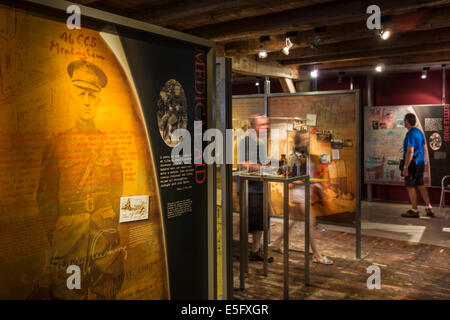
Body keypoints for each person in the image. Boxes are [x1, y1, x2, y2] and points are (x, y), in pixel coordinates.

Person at [37, 60, 125, 299]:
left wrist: (107, 222)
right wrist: (60, 234)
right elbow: (45, 201)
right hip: (69, 238)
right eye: (81, 93)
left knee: (107, 292)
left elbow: (117, 191)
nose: (87, 100)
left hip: (103, 235)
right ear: (72, 97)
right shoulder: (57, 145)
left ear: (98, 100)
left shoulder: (109, 145)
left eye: (92, 95)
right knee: (68, 294)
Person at [272, 131, 333, 265]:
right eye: (305, 139)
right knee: (310, 222)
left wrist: (316, 184)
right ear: (298, 141)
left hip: (305, 192)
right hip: (299, 194)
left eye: (308, 139)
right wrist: (313, 183)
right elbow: (291, 179)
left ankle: (276, 243)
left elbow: (308, 176)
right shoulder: (294, 157)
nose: (308, 141)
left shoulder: (306, 155)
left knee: (292, 220)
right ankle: (316, 254)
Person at [241, 114, 274, 262]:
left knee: (260, 221)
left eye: (266, 124)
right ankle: (246, 252)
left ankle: (255, 250)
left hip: (259, 187)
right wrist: (265, 168)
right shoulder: (247, 141)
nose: (265, 127)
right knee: (252, 222)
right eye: (262, 125)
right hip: (250, 188)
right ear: (254, 126)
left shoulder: (260, 143)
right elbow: (243, 164)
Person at [401, 113, 434, 218]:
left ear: (408, 121)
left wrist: (406, 167)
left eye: (404, 120)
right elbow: (423, 149)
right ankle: (429, 207)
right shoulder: (419, 132)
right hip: (420, 163)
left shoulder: (410, 134)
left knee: (410, 186)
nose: (404, 122)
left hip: (412, 165)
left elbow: (410, 151)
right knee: (420, 184)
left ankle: (414, 210)